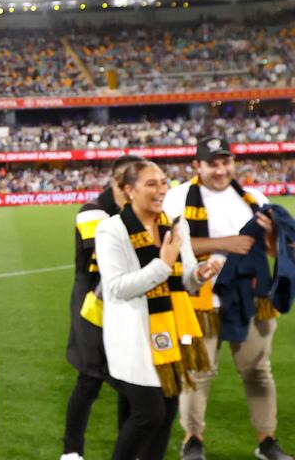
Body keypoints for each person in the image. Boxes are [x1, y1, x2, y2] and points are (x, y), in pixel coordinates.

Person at [161, 137, 290, 460]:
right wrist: (228, 243)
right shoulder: (176, 198)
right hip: (197, 300)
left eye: (225, 162)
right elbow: (170, 245)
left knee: (259, 371)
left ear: (233, 162)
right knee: (197, 374)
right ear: (197, 165)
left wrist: (274, 241)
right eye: (212, 163)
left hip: (250, 299)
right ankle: (193, 439)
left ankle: (267, 441)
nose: (220, 170)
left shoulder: (253, 198)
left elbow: (271, 250)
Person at [94, 159, 220, 460]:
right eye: (151, 183)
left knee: (166, 413)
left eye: (163, 182)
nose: (161, 189)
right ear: (129, 190)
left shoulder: (176, 225)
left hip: (171, 334)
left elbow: (187, 278)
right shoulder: (111, 230)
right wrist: (162, 265)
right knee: (148, 414)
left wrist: (199, 275)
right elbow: (116, 288)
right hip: (134, 339)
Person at [61, 155, 143, 460]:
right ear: (118, 181)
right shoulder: (91, 211)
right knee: (90, 377)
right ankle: (71, 450)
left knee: (129, 380)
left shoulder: (130, 210)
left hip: (125, 302)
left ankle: (129, 447)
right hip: (91, 304)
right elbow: (109, 254)